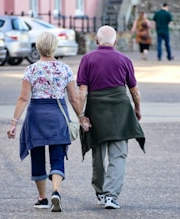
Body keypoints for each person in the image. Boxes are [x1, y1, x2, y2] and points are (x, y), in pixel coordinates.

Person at [7, 31, 87, 212]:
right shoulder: (65, 69)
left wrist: (14, 123)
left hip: (36, 117)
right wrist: (81, 117)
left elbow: (23, 98)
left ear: (38, 47)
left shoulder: (31, 69)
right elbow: (74, 99)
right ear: (55, 47)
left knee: (37, 156)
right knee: (57, 156)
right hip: (57, 116)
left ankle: (42, 198)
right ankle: (56, 191)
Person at [76, 25, 145, 209]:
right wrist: (137, 109)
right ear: (115, 42)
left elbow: (82, 91)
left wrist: (81, 115)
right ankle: (111, 196)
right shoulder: (124, 59)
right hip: (120, 110)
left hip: (96, 110)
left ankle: (100, 192)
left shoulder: (87, 59)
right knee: (119, 154)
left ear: (96, 41)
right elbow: (134, 91)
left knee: (98, 154)